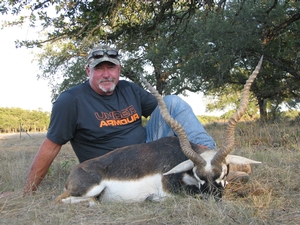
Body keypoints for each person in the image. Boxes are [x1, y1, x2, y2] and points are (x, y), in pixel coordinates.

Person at [23, 45, 241, 195]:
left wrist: (194, 144)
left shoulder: (129, 89)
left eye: (111, 67)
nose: (106, 74)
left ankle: (211, 166)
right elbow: (50, 147)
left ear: (119, 69)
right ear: (88, 70)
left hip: (148, 151)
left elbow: (166, 114)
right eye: (99, 68)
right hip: (112, 165)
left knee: (172, 102)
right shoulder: (70, 101)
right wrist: (28, 191)